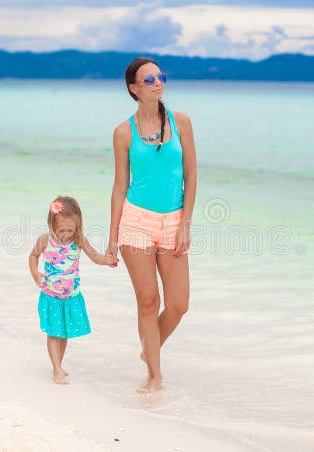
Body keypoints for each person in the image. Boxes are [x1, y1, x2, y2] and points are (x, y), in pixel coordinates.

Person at [106, 57, 198, 393]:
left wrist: (186, 222)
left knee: (178, 304)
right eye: (149, 80)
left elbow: (191, 175)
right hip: (136, 221)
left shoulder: (182, 122)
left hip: (173, 220)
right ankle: (155, 376)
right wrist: (113, 236)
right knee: (148, 301)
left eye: (160, 77)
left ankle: (149, 349)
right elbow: (119, 186)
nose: (158, 83)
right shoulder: (122, 132)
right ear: (133, 88)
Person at [29, 196, 116, 385]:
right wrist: (36, 274)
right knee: (53, 332)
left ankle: (58, 364)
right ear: (52, 224)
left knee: (64, 333)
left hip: (71, 297)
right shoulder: (45, 240)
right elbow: (33, 256)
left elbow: (94, 256)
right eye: (62, 230)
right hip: (51, 296)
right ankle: (56, 368)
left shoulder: (78, 240)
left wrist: (106, 260)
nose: (66, 234)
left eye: (71, 229)